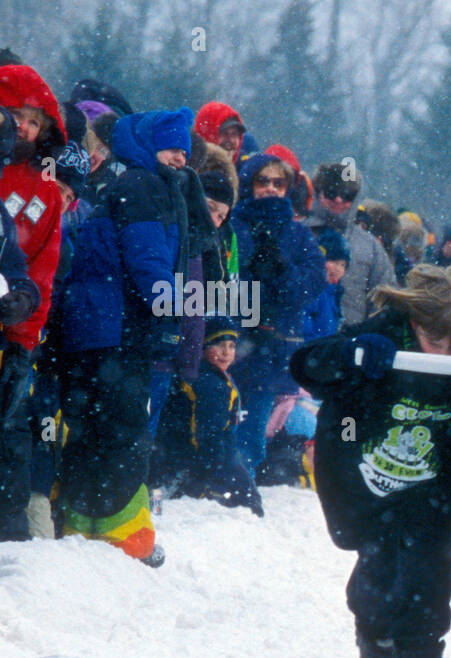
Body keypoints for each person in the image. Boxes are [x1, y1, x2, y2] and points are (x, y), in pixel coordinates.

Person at [289, 265, 451, 658]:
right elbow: (306, 366)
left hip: (433, 487)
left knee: (427, 580)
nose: (447, 352)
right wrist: (352, 356)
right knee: (377, 576)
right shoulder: (384, 331)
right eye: (436, 341)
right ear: (414, 322)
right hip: (361, 474)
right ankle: (375, 643)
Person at [57, 108, 200, 566]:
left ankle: (82, 526)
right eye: (173, 147)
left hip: (94, 329)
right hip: (117, 330)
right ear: (146, 146)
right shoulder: (144, 186)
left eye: (185, 149)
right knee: (124, 431)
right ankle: (125, 536)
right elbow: (148, 262)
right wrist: (177, 310)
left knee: (91, 428)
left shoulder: (129, 183)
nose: (181, 157)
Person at [228, 153, 327, 474]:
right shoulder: (233, 224)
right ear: (249, 184)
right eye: (263, 181)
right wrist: (251, 280)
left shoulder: (299, 235)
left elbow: (312, 284)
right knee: (218, 421)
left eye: (278, 182)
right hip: (230, 341)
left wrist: (280, 272)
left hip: (272, 347)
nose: (270, 188)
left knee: (254, 430)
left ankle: (241, 490)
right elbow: (221, 280)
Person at [0, 66, 65, 541]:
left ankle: (9, 533)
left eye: (34, 121)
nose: (23, 128)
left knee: (10, 434)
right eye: (15, 115)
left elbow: (42, 266)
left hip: (13, 332)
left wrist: (25, 337)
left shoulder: (45, 187)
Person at [153, 316, 262, 515]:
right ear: (203, 347)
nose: (226, 353)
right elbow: (207, 435)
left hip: (192, 457)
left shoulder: (212, 376)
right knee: (248, 502)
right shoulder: (211, 384)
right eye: (218, 345)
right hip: (196, 461)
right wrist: (213, 472)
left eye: (231, 346)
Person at [304, 161, 395, 329]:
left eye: (347, 195)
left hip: (348, 343)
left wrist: (369, 333)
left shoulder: (370, 247)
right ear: (318, 193)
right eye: (331, 192)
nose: (338, 200)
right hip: (297, 339)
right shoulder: (297, 233)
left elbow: (384, 300)